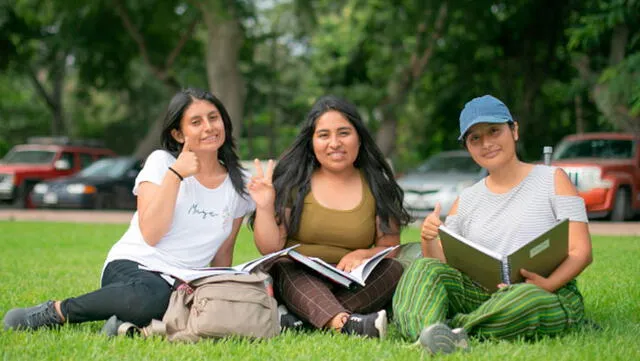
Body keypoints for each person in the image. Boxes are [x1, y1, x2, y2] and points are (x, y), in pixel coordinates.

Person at [3, 88, 255, 334]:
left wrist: (220, 289)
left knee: (207, 304)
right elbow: (151, 234)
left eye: (213, 118)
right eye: (196, 122)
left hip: (184, 283)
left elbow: (223, 253)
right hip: (136, 268)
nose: (209, 127)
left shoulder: (238, 182)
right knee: (153, 298)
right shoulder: (161, 163)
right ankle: (57, 311)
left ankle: (124, 327)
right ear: (179, 134)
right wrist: (176, 175)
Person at [392, 95, 593, 354]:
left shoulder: (553, 179)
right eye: (475, 138)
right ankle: (427, 333)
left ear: (514, 130)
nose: (486, 143)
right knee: (421, 268)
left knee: (523, 301)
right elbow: (440, 267)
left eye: (494, 131)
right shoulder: (465, 199)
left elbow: (582, 252)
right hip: (482, 294)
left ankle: (453, 329)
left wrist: (546, 284)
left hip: (545, 293)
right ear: (468, 146)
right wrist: (428, 239)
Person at [247, 95, 411, 338]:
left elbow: (390, 247)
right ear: (312, 142)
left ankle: (303, 318)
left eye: (344, 133)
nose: (334, 143)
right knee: (283, 266)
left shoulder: (378, 186)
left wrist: (363, 254)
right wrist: (264, 206)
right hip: (299, 278)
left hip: (351, 281)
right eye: (324, 135)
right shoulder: (294, 182)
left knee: (393, 269)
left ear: (359, 137)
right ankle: (346, 323)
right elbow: (270, 248)